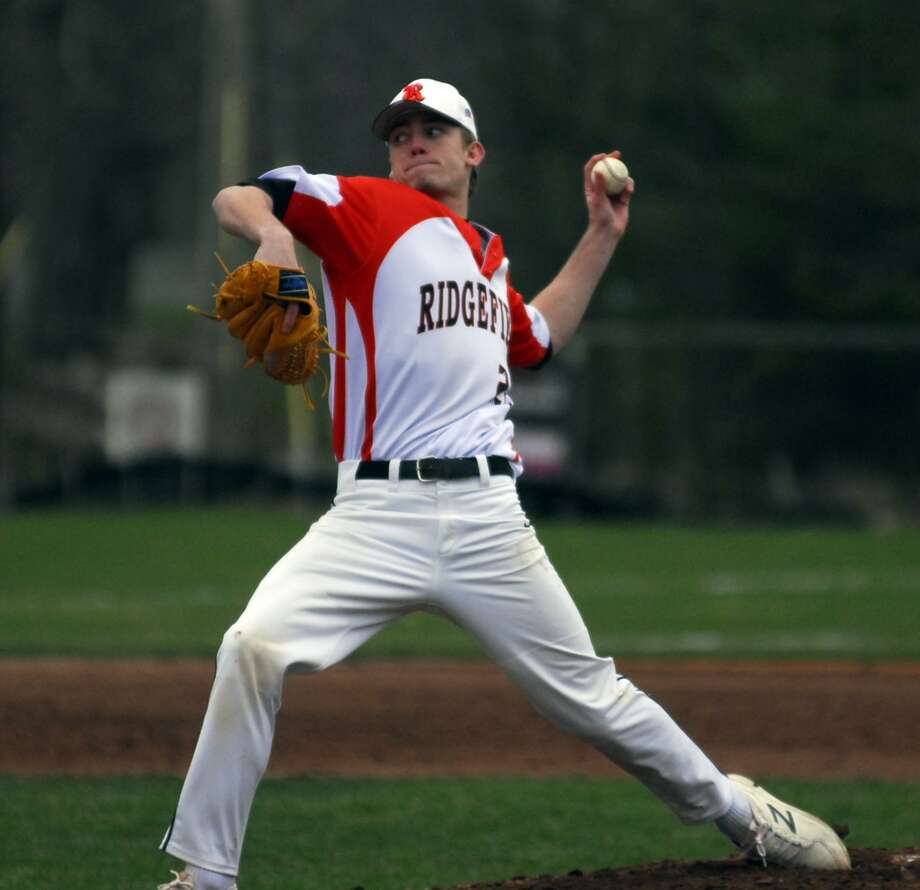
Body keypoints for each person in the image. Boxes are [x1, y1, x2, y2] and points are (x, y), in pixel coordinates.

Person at [157, 78, 850, 890]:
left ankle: (742, 814)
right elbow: (234, 196)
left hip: (490, 519)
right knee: (252, 647)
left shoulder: (488, 257)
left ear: (472, 151)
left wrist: (601, 233)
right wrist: (274, 239)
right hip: (375, 515)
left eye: (434, 128)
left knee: (592, 699)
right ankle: (204, 876)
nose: (415, 140)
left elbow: (540, 334)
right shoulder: (363, 208)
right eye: (401, 131)